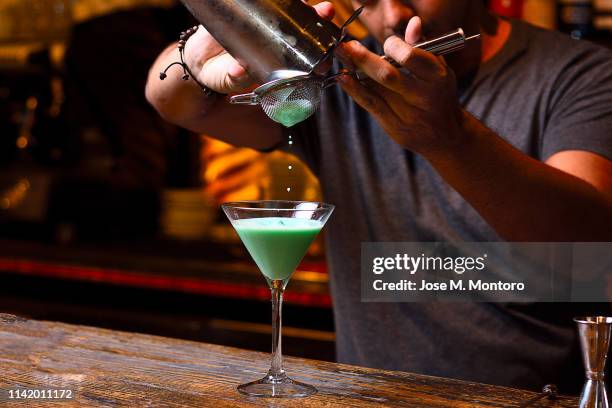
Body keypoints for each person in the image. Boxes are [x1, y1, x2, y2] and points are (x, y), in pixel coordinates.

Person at [145, 0, 612, 392]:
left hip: (526, 399)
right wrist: (202, 57)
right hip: (368, 396)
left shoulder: (580, 75)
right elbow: (170, 101)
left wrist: (448, 139)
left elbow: (588, 258)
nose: (391, 13)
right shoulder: (331, 73)